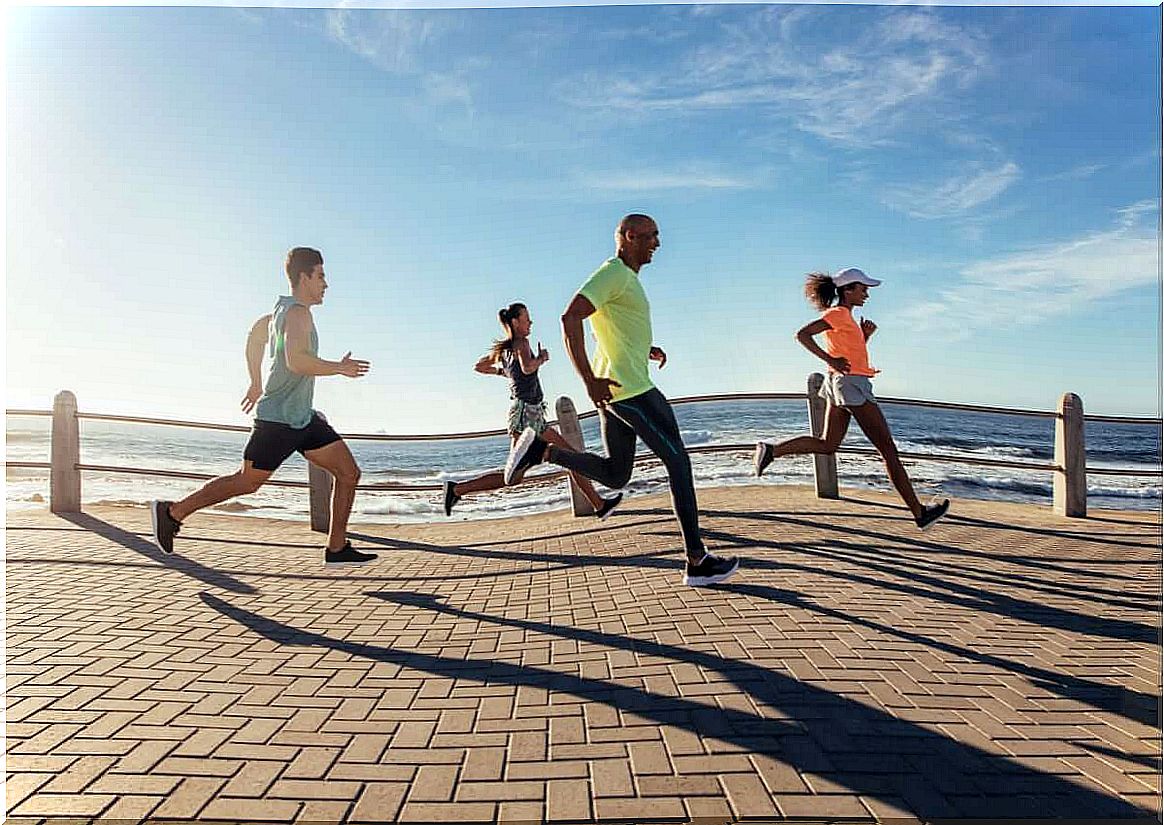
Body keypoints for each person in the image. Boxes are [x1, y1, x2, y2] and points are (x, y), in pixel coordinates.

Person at [503, 214, 739, 587]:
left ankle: (542, 453)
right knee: (679, 462)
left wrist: (644, 348)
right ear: (629, 236)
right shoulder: (613, 273)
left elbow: (614, 328)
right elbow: (570, 318)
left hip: (624, 385)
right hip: (629, 391)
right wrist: (589, 380)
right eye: (650, 236)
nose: (657, 243)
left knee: (617, 474)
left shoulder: (626, 280)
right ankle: (696, 560)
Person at [150, 247, 379, 565]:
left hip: (302, 419)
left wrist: (255, 382)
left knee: (348, 473)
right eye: (321, 276)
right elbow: (296, 361)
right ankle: (172, 512)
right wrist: (339, 368)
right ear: (304, 277)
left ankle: (337, 547)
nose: (326, 284)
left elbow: (255, 337)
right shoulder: (298, 313)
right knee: (247, 482)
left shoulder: (279, 313)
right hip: (278, 422)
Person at [753, 267, 949, 530]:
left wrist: (863, 338)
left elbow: (850, 355)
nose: (866, 293)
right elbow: (802, 335)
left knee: (828, 444)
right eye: (862, 288)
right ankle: (919, 513)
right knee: (888, 452)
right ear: (847, 290)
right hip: (851, 385)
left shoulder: (846, 318)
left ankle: (773, 450)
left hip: (841, 384)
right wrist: (830, 359)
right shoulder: (838, 314)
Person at [442, 303, 623, 520]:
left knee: (566, 460)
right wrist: (541, 359)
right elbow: (527, 367)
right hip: (526, 415)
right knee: (519, 475)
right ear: (516, 322)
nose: (531, 323)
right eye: (527, 319)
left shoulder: (505, 348)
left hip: (531, 413)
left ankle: (599, 505)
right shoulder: (521, 342)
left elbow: (481, 366)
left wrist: (507, 372)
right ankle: (455, 490)